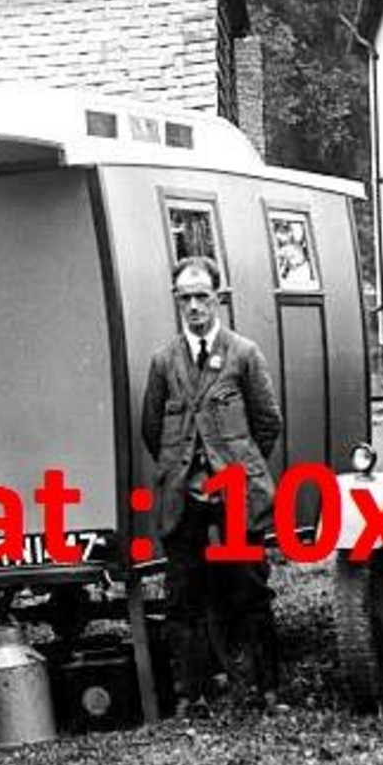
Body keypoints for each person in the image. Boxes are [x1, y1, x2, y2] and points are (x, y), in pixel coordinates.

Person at [140, 255, 284, 717]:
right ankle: (190, 694)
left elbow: (268, 423)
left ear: (218, 298)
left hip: (236, 489)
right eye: (186, 298)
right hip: (183, 494)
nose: (195, 307)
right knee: (183, 595)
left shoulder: (244, 353)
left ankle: (267, 690)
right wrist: (183, 467)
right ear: (176, 301)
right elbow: (151, 428)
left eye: (203, 296)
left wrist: (234, 462)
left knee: (250, 588)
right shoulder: (164, 362)